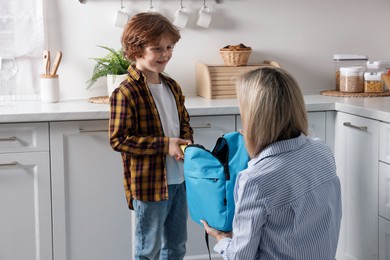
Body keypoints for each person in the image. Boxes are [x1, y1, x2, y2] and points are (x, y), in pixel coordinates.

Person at [201, 67, 342, 259]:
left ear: (255, 120)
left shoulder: (255, 179)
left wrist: (222, 239)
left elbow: (240, 257)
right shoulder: (322, 151)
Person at [109, 12, 193, 260]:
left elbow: (184, 123)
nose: (165, 54)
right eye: (157, 48)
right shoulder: (125, 92)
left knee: (177, 248)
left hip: (179, 180)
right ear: (136, 50)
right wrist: (164, 145)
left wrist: (186, 144)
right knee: (148, 251)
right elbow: (119, 139)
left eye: (169, 47)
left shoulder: (172, 86)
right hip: (150, 185)